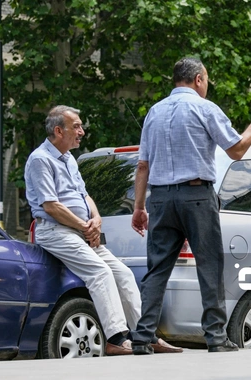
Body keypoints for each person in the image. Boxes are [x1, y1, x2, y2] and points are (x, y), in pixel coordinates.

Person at [129, 57, 251, 354]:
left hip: (159, 199)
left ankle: (143, 337)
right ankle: (215, 337)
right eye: (207, 79)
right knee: (209, 266)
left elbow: (143, 165)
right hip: (196, 197)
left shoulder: (154, 113)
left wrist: (138, 206)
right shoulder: (205, 108)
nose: (207, 85)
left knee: (157, 270)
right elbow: (236, 150)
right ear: (198, 79)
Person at [25, 105, 182, 355]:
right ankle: (116, 339)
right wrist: (85, 226)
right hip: (56, 232)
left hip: (81, 232)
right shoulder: (40, 160)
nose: (82, 132)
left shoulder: (69, 160)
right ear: (58, 130)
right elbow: (51, 206)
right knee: (100, 273)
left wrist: (96, 219)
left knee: (123, 274)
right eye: (76, 126)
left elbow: (84, 195)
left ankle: (145, 335)